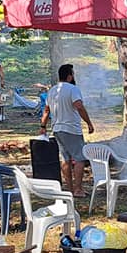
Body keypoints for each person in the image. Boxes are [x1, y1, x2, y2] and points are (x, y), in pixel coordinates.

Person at [41, 64, 95, 198]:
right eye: (73, 74)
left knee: (65, 158)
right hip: (71, 129)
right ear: (69, 76)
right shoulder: (73, 89)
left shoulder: (52, 90)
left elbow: (46, 110)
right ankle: (78, 189)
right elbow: (79, 106)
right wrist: (89, 123)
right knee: (80, 158)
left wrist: (43, 126)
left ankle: (70, 189)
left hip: (57, 129)